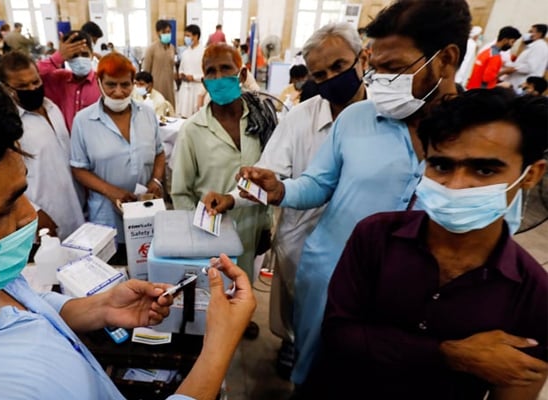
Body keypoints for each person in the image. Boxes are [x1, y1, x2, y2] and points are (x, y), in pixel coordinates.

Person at [0, 59, 256, 400]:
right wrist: (218, 346)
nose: (30, 215)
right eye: (5, 208)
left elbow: (24, 303)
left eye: (22, 192)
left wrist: (96, 308)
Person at [236, 0, 471, 388]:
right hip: (330, 275)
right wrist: (280, 189)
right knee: (317, 376)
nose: (380, 81)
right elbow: (319, 184)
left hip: (412, 296)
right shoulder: (357, 118)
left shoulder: (476, 135)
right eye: (375, 67)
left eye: (394, 69)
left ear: (445, 60)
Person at [313, 88, 548, 399]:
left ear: (530, 174)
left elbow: (518, 384)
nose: (456, 185)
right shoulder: (376, 236)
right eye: (441, 166)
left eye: (484, 170)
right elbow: (338, 334)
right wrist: (451, 355)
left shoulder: (534, 293)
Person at [203, 21, 369, 379]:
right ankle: (294, 346)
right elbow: (268, 178)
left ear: (363, 59)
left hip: (361, 250)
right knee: (302, 321)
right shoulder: (300, 119)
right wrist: (231, 200)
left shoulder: (385, 119)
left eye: (340, 67)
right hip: (304, 245)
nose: (331, 79)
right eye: (320, 74)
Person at [172, 43, 276, 340]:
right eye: (210, 72)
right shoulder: (193, 130)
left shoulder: (259, 120)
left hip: (252, 223)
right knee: (215, 288)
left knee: (247, 278)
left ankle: (241, 319)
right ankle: (219, 330)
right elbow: (180, 190)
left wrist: (267, 224)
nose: (218, 77)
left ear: (241, 73)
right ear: (203, 81)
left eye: (225, 69)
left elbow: (271, 174)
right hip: (212, 231)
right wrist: (193, 236)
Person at [70, 53, 165, 262]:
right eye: (111, 85)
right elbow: (78, 168)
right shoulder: (84, 121)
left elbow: (159, 152)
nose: (119, 92)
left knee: (147, 266)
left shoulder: (147, 114)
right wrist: (112, 192)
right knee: (114, 270)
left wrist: (156, 180)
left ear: (134, 83)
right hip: (107, 215)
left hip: (145, 212)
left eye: (125, 85)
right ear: (99, 82)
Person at [0, 51, 86, 240]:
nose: (32, 88)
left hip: (76, 208)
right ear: (6, 88)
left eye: (35, 82)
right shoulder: (7, 126)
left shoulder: (52, 107)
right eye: (22, 86)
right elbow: (3, 181)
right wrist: (35, 214)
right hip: (45, 218)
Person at [37, 30, 101, 131]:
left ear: (92, 55)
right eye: (74, 56)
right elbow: (33, 75)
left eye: (84, 54)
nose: (80, 60)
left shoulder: (101, 81)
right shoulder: (59, 79)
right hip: (66, 143)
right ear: (66, 58)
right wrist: (57, 58)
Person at [500, 24, 548, 92]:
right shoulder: (535, 46)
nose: (528, 34)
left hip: (522, 82)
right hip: (516, 81)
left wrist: (510, 66)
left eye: (531, 32)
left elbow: (529, 67)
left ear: (539, 34)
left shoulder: (539, 47)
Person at [143, 20, 176, 108]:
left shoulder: (172, 48)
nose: (167, 34)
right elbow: (146, 71)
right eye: (164, 32)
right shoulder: (151, 49)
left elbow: (172, 66)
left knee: (169, 108)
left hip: (169, 86)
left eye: (168, 32)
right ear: (158, 33)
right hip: (156, 86)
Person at [177, 24, 205, 118]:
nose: (186, 38)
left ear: (196, 36)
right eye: (185, 36)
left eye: (188, 36)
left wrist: (194, 77)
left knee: (196, 117)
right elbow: (181, 68)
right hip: (185, 88)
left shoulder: (204, 52)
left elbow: (208, 74)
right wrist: (181, 74)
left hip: (198, 88)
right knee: (183, 116)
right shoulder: (185, 52)